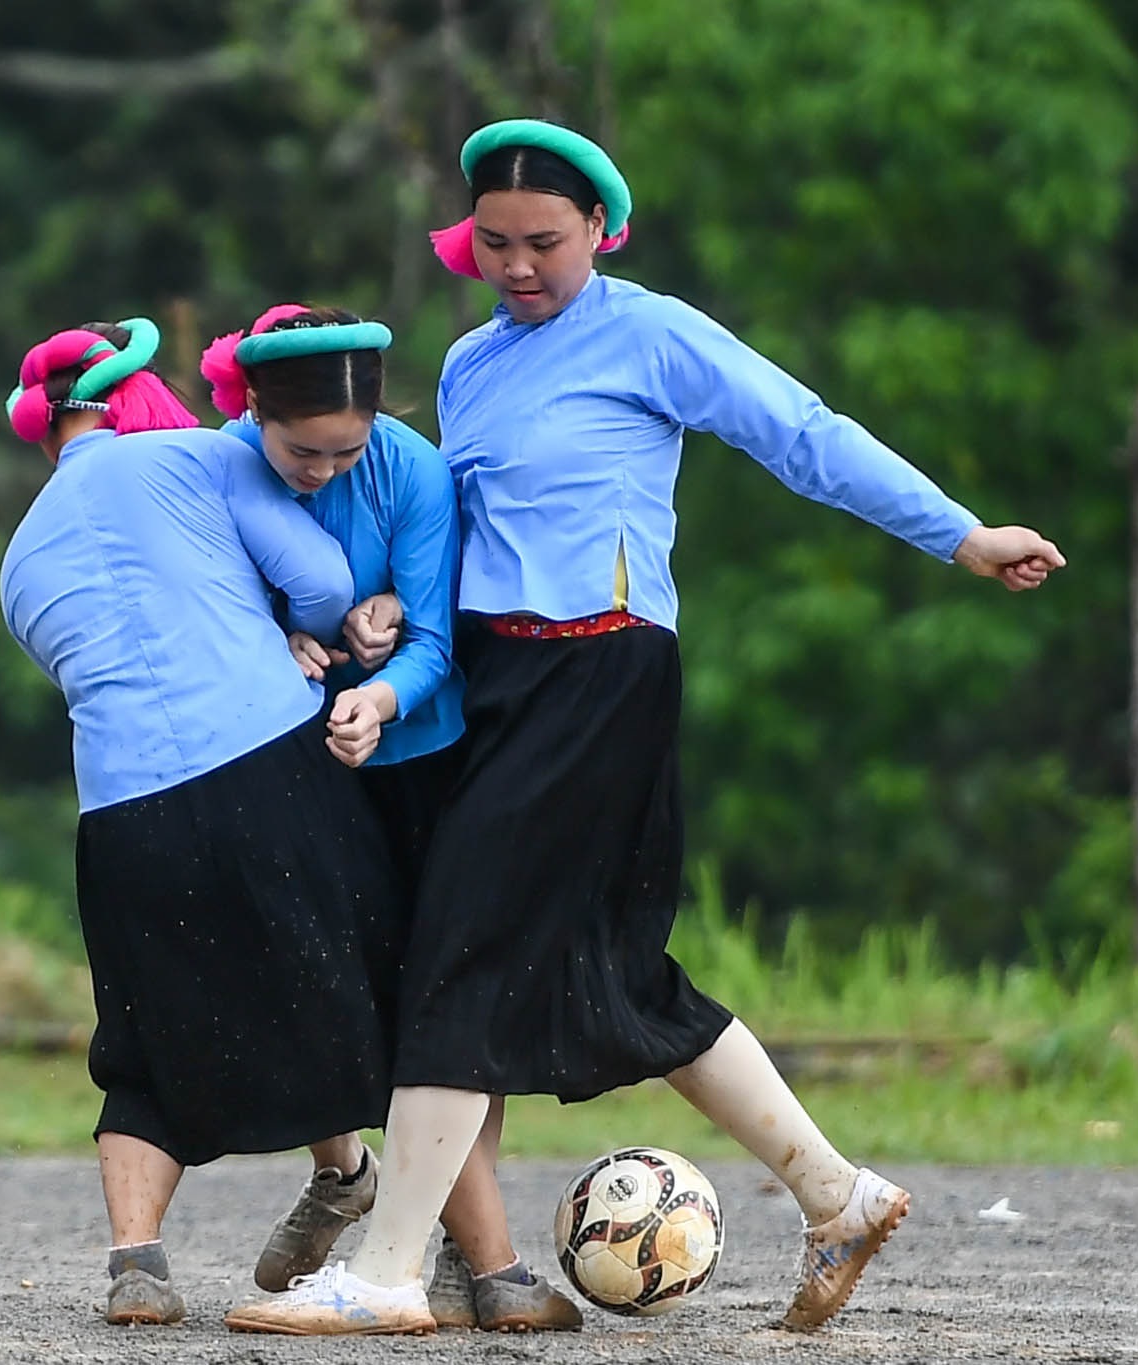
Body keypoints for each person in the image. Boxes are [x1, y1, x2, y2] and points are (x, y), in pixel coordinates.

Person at [226, 118, 1065, 1337]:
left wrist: (960, 533)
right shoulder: (465, 363)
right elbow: (453, 529)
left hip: (600, 670)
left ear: (598, 233)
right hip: (492, 682)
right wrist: (366, 610)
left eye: (544, 244)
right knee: (614, 976)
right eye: (496, 243)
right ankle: (837, 1196)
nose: (517, 266)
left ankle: (392, 1272)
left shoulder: (652, 333)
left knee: (456, 950)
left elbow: (803, 432)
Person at [0, 316, 405, 1327]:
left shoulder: (16, 562)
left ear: (47, 434)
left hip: (124, 807)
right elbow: (320, 584)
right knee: (326, 965)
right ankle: (370, 1189)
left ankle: (136, 1261)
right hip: (265, 756)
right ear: (138, 401)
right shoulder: (194, 458)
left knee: (144, 1023)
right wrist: (293, 627)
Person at [203, 307, 577, 1331]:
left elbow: (434, 645)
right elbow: (210, 608)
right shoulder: (217, 467)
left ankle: (476, 1256)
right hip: (290, 765)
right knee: (330, 989)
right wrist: (283, 641)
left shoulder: (410, 470)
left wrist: (377, 695)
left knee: (441, 998)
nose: (322, 471)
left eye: (344, 451)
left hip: (424, 762)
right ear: (253, 417)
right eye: (300, 452)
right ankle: (354, 1182)